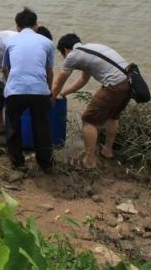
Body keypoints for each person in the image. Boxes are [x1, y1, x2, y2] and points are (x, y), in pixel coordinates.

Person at [51, 33, 132, 169]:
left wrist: (52, 98)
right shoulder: (92, 49)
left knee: (88, 120)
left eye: (62, 54)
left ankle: (89, 161)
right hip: (129, 83)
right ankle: (107, 151)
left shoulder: (72, 56)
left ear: (65, 50)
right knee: (113, 116)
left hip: (114, 85)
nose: (64, 58)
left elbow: (58, 83)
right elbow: (83, 80)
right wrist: (64, 93)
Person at [2, 8, 55, 173]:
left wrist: (11, 85)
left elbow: (5, 68)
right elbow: (49, 71)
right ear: (36, 25)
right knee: (41, 125)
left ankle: (18, 163)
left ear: (17, 26)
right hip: (39, 90)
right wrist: (49, 91)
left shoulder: (9, 41)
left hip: (15, 91)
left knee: (13, 125)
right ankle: (46, 164)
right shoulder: (47, 43)